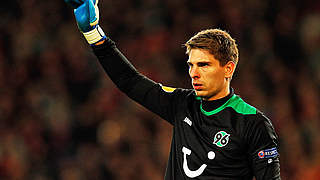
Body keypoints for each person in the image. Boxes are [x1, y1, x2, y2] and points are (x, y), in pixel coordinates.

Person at [65, 0, 281, 179]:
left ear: (228, 68)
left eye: (203, 65)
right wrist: (93, 34)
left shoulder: (253, 123)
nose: (194, 73)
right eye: (191, 65)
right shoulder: (182, 104)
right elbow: (129, 81)